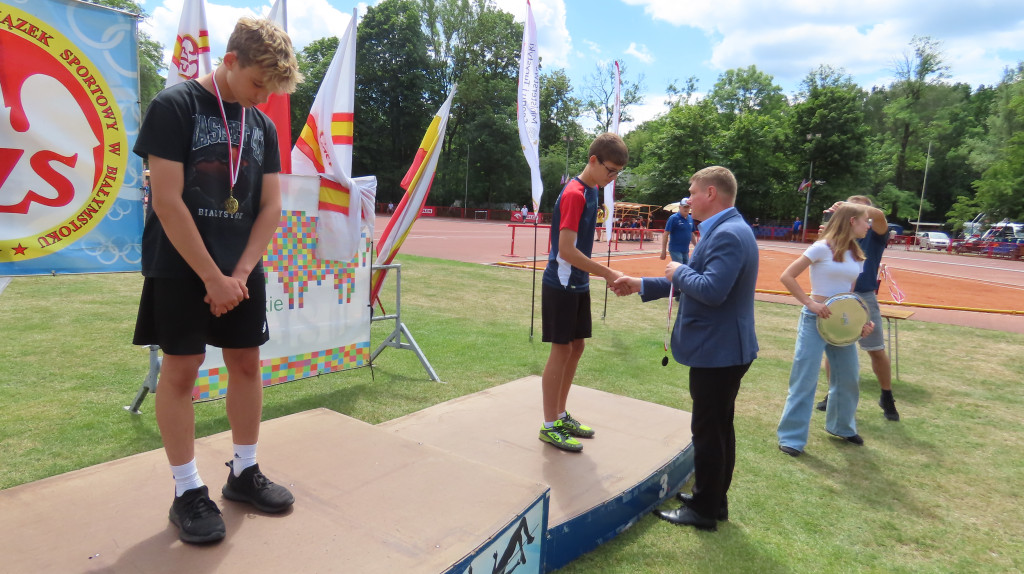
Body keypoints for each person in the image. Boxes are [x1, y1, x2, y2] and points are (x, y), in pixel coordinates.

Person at [132, 17, 302, 544]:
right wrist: (212, 275)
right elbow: (166, 199)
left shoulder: (263, 124)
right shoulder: (174, 106)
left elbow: (271, 205)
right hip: (181, 266)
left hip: (240, 269)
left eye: (272, 91)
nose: (263, 98)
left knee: (246, 365)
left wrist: (241, 273)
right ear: (230, 60)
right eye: (257, 84)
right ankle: (187, 490)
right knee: (180, 374)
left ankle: (244, 472)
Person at [612, 166, 759, 532]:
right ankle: (712, 499)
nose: (687, 199)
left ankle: (706, 510)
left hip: (719, 351)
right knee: (719, 427)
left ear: (711, 193)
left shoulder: (727, 234)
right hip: (723, 349)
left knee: (709, 429)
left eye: (691, 192)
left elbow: (709, 289)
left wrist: (676, 270)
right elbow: (695, 282)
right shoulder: (727, 229)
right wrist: (640, 284)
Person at [538, 133, 627, 453]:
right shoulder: (575, 193)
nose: (613, 178)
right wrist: (607, 273)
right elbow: (565, 250)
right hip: (561, 282)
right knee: (561, 350)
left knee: (576, 347)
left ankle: (561, 415)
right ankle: (549, 425)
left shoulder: (593, 192)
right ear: (593, 160)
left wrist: (596, 275)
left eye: (618, 173)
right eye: (611, 170)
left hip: (579, 282)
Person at [776, 203, 875, 457]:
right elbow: (787, 276)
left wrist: (861, 323)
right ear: (852, 221)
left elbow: (849, 296)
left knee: (848, 376)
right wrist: (810, 302)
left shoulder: (857, 256)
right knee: (805, 377)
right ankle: (791, 438)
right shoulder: (821, 248)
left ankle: (842, 427)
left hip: (841, 323)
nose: (869, 225)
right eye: (866, 220)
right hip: (814, 319)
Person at [816, 196, 900, 421]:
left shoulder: (873, 233)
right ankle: (832, 393)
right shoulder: (840, 234)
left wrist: (852, 209)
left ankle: (887, 395)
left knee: (875, 349)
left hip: (864, 296)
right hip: (838, 295)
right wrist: (825, 234)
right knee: (833, 345)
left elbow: (880, 217)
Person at [660, 198, 698, 264]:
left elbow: (691, 234)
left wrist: (696, 246)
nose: (686, 209)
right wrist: (663, 251)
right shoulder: (673, 218)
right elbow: (666, 234)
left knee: (686, 269)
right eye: (684, 207)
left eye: (688, 207)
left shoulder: (690, 218)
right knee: (680, 268)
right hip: (675, 249)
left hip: (685, 250)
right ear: (680, 207)